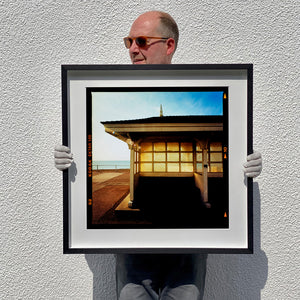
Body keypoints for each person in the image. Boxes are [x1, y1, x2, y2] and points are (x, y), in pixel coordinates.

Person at [54, 11, 262, 300]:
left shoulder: (214, 85)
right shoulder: (101, 87)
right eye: (128, 41)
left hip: (190, 246)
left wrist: (243, 163)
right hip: (131, 249)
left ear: (169, 45)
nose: (132, 49)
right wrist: (72, 164)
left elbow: (231, 141)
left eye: (141, 41)